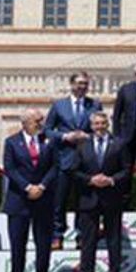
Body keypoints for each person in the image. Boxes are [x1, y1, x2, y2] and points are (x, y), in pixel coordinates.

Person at [72, 111, 129, 272]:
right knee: (88, 241)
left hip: (112, 198)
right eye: (96, 123)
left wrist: (111, 180)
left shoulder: (119, 144)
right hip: (89, 198)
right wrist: (90, 180)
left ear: (108, 124)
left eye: (103, 123)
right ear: (91, 125)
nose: (100, 126)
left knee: (114, 240)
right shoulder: (82, 145)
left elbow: (126, 170)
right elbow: (74, 171)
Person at [3, 109, 57, 272]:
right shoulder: (11, 142)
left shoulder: (49, 141)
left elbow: (54, 167)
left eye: (41, 120)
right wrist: (28, 187)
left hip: (44, 199)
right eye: (37, 121)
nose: (41, 124)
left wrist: (41, 187)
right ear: (25, 123)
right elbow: (10, 169)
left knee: (43, 243)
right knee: (18, 243)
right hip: (19, 200)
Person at [45, 71, 101, 246]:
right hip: (64, 159)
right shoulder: (59, 105)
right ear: (71, 84)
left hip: (85, 161)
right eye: (79, 83)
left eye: (85, 83)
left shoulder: (95, 105)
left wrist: (87, 136)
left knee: (83, 201)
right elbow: (47, 130)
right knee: (59, 200)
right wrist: (64, 136)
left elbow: (100, 128)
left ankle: (81, 234)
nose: (82, 87)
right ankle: (57, 234)